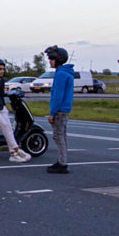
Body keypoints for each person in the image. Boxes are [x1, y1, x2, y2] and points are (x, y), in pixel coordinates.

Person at [45, 46, 73, 174]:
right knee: (62, 136)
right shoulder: (66, 73)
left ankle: (62, 163)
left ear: (59, 59)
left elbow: (58, 96)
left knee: (58, 136)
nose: (50, 61)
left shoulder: (61, 74)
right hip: (64, 109)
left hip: (60, 110)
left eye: (51, 59)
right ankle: (62, 161)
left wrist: (52, 113)